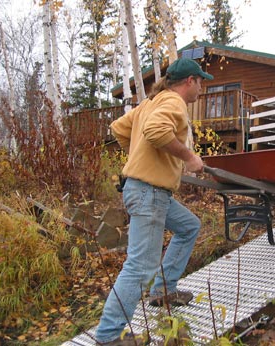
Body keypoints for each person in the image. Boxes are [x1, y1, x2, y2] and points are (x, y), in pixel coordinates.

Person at [95, 58, 213, 345]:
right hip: (149, 192)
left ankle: (163, 290)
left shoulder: (150, 103)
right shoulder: (174, 103)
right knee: (140, 266)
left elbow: (119, 129)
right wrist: (187, 157)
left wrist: (141, 158)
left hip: (145, 190)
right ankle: (109, 336)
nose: (201, 88)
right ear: (189, 81)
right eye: (200, 82)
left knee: (188, 226)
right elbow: (156, 132)